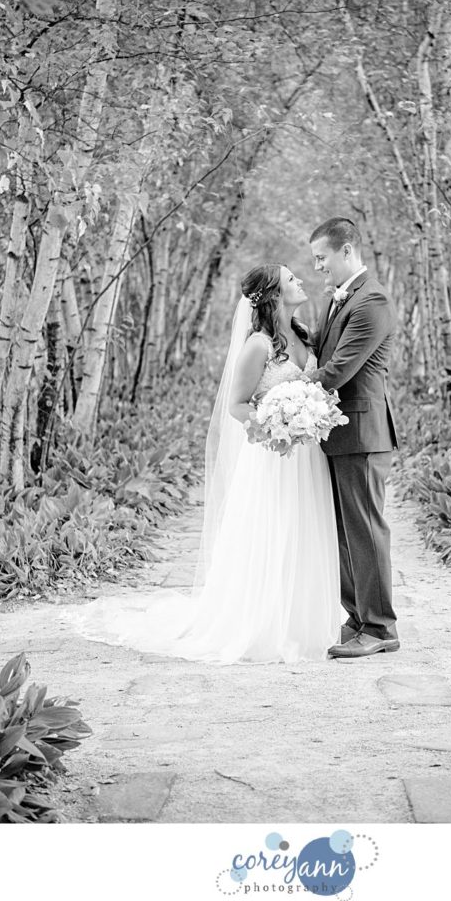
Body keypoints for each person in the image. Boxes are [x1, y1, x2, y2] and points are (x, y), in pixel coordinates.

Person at [65, 264, 341, 664]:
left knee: (303, 528)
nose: (300, 280)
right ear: (275, 295)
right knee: (271, 531)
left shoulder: (303, 335)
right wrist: (276, 423)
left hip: (305, 456)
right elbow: (236, 405)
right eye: (291, 279)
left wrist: (306, 417)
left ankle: (301, 621)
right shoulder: (257, 346)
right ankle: (261, 623)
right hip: (270, 456)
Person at [307, 217, 400, 659]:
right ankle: (359, 617)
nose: (319, 267)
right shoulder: (341, 299)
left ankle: (380, 629)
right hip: (339, 432)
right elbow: (325, 348)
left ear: (347, 251)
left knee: (365, 530)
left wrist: (280, 396)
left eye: (322, 257)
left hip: (362, 432)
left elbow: (338, 370)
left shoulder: (372, 300)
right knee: (344, 531)